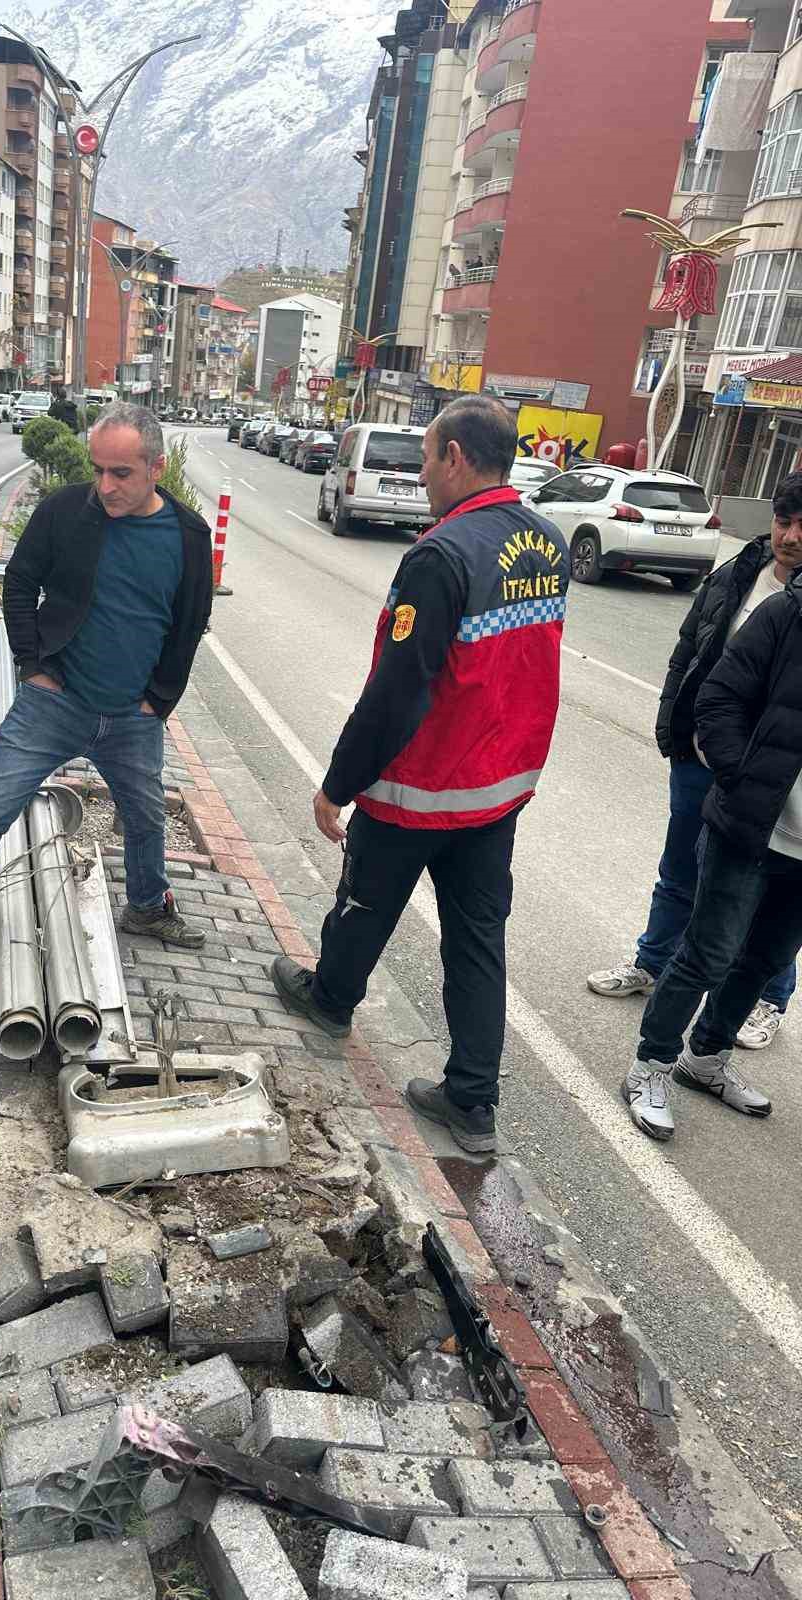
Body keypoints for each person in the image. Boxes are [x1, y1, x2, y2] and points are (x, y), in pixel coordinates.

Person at [271, 395, 570, 1153]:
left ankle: (331, 1000)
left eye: (428, 456)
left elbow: (400, 689)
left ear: (456, 458)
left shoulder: (443, 555)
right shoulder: (547, 542)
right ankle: (472, 1101)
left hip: (425, 785)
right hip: (498, 790)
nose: (423, 473)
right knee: (477, 942)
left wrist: (338, 784)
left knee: (365, 900)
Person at [0, 404, 213, 980]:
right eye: (99, 470)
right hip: (55, 702)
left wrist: (158, 700)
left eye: (122, 474)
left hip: (132, 716)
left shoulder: (187, 535)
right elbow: (19, 583)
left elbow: (191, 622)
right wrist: (33, 663)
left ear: (157, 468)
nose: (106, 486)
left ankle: (146, 908)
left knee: (144, 818)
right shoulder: (66, 511)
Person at [588, 479, 802, 1049]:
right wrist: (673, 727)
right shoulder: (739, 573)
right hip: (705, 760)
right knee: (679, 870)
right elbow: (691, 651)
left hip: (772, 789)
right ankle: (651, 962)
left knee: (767, 902)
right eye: (784, 520)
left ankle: (766, 1000)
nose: (791, 536)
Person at [622, 565, 802, 1141]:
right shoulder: (786, 613)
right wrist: (737, 777)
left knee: (764, 960)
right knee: (708, 954)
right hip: (751, 827)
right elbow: (718, 695)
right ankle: (649, 1066)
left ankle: (705, 1058)